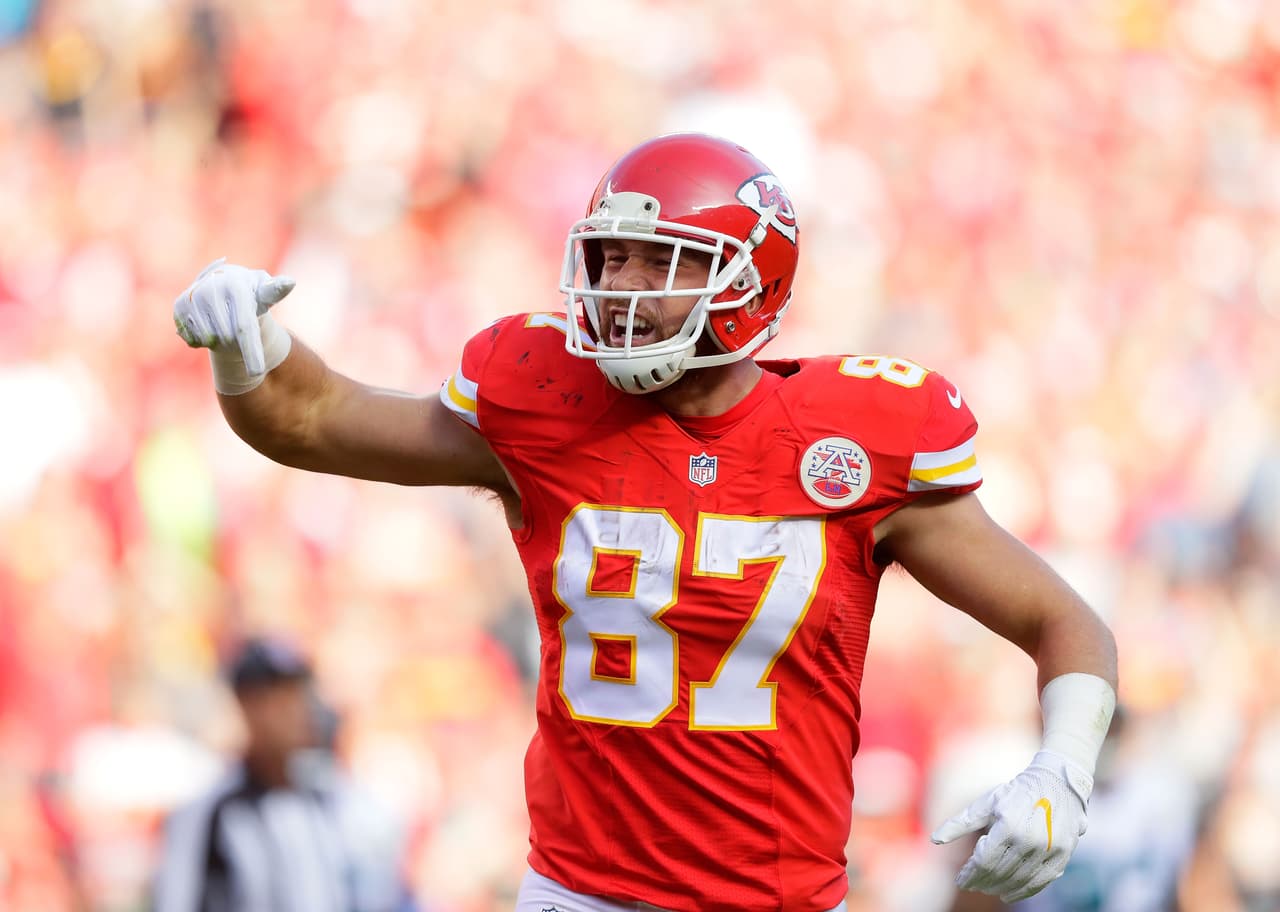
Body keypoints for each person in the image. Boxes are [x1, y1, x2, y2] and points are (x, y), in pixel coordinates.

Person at [172, 133, 1118, 912]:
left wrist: (1062, 772)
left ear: (751, 282)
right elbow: (312, 417)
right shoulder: (544, 403)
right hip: (576, 894)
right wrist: (246, 344)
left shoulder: (855, 443)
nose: (619, 286)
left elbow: (1064, 623)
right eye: (609, 255)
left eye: (658, 260)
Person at [150, 637, 412, 912]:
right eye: (278, 700)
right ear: (247, 706)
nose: (296, 711)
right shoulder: (211, 815)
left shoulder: (325, 804)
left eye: (298, 696)